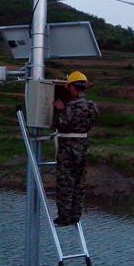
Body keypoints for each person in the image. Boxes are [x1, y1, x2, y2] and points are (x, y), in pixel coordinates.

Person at [52, 71, 100, 226]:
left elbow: (60, 124)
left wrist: (60, 109)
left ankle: (64, 217)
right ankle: (75, 215)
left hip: (67, 148)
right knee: (79, 182)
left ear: (72, 87)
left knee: (65, 182)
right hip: (82, 146)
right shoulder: (93, 106)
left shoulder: (70, 107)